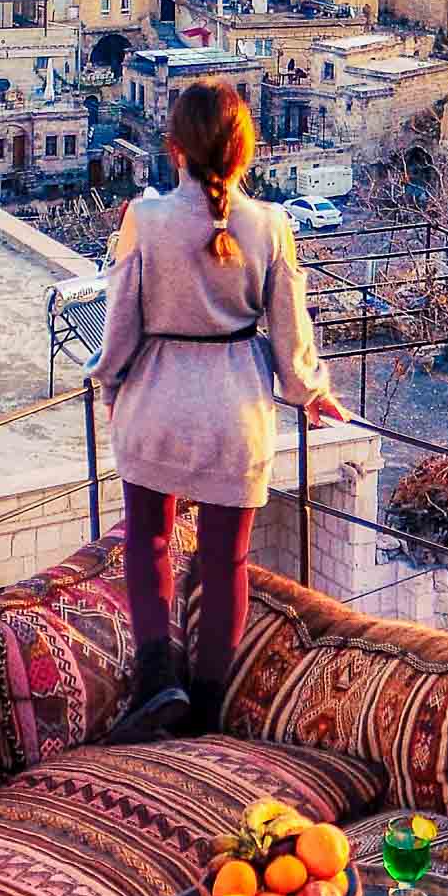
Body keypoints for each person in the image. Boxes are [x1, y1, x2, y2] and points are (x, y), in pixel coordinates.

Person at [90, 77, 348, 736]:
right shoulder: (271, 224)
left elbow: (118, 329)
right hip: (236, 413)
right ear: (245, 152)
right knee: (223, 560)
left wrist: (110, 388)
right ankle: (207, 709)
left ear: (174, 148)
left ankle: (156, 683)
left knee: (147, 543)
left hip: (158, 402)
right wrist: (311, 392)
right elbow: (291, 337)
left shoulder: (142, 222)